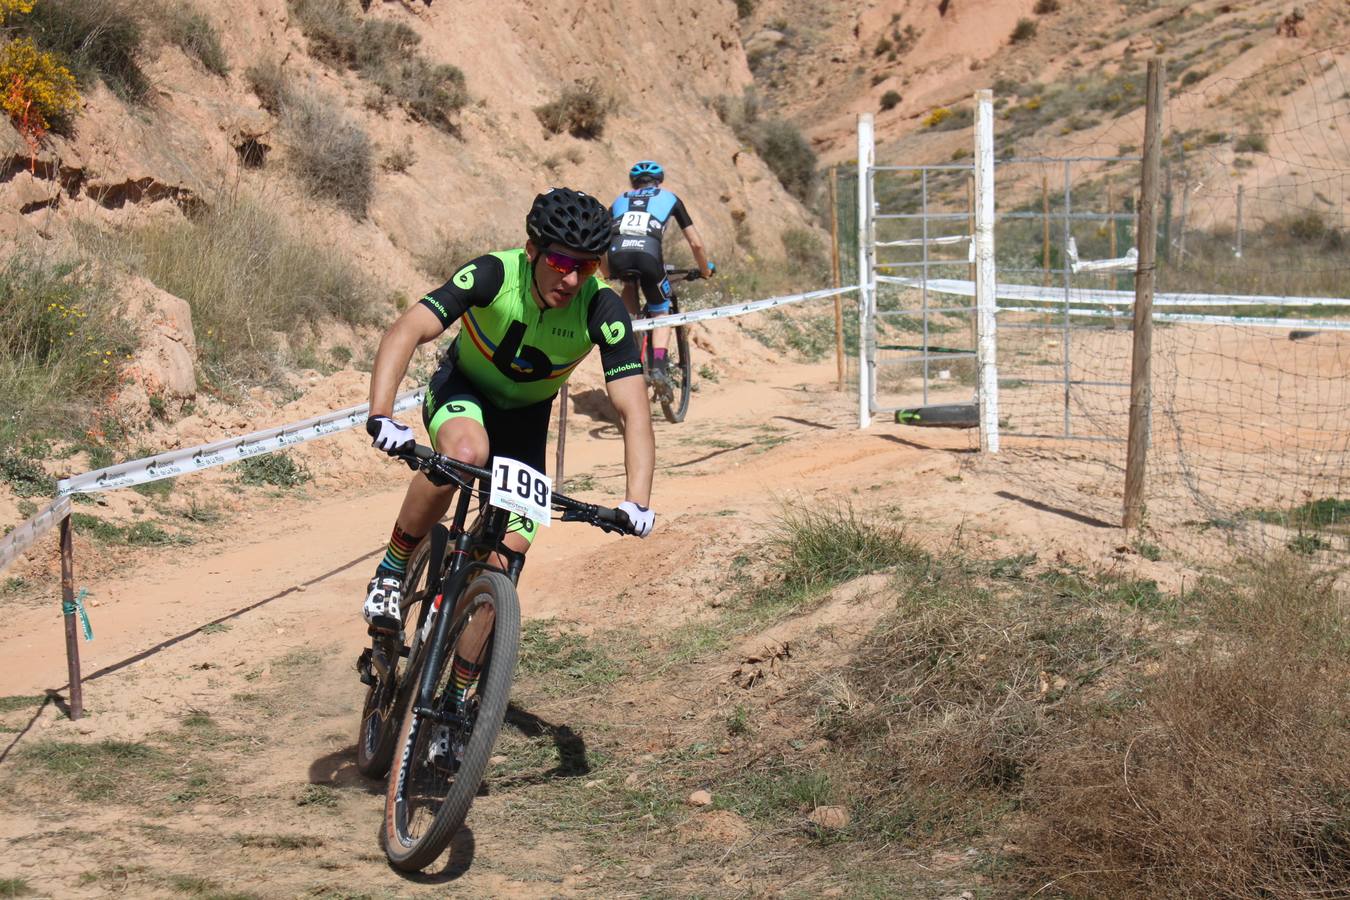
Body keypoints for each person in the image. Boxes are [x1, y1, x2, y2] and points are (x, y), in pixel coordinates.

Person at [362, 187, 656, 656]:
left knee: (512, 548)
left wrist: (637, 501)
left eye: (586, 265)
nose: (573, 278)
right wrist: (382, 414)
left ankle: (457, 705)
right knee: (464, 455)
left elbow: (633, 409)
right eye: (561, 262)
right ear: (532, 250)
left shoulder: (603, 308)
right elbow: (407, 329)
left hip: (525, 421)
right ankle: (392, 570)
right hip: (464, 393)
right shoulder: (493, 273)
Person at [606, 161, 715, 393]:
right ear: (659, 182)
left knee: (629, 292)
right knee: (660, 310)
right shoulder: (670, 197)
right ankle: (658, 367)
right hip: (648, 256)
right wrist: (705, 270)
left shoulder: (618, 199)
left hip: (618, 256)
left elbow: (599, 240)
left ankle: (631, 353)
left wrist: (607, 273)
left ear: (633, 183)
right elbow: (695, 243)